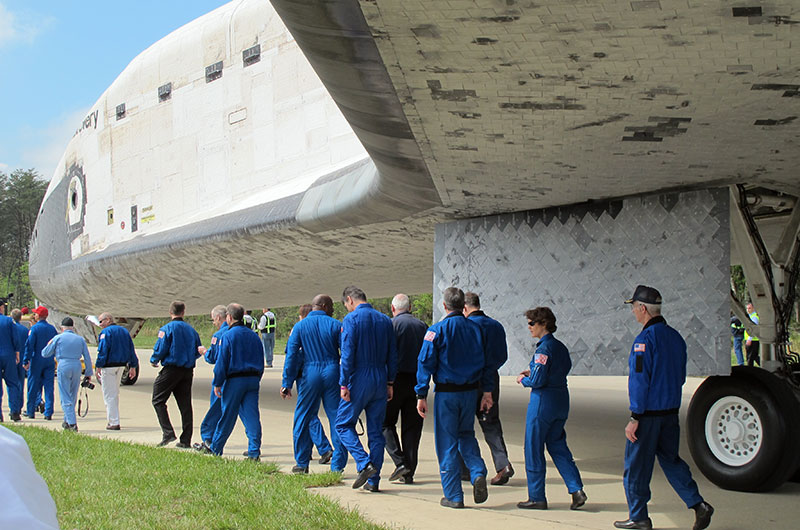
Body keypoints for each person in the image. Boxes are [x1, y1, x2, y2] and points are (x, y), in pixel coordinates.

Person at [615, 285, 714, 530]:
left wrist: (635, 416)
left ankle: (638, 517)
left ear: (643, 309)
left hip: (647, 416)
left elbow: (639, 381)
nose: (633, 313)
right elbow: (679, 376)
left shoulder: (644, 341)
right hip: (670, 414)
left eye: (634, 308)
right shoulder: (676, 337)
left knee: (636, 468)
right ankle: (698, 504)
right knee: (671, 461)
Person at [415, 287, 493, 509]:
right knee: (466, 434)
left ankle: (453, 495)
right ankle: (477, 471)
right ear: (463, 306)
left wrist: (421, 394)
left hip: (447, 394)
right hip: (470, 392)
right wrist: (486, 391)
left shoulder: (436, 331)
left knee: (447, 442)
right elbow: (487, 362)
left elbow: (425, 362)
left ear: (444, 305)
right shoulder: (476, 330)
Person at [516, 306, 586, 510]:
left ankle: (536, 496)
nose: (529, 327)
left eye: (531, 323)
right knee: (558, 446)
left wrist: (524, 378)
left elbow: (538, 380)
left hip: (543, 402)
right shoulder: (560, 347)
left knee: (533, 448)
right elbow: (563, 368)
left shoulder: (543, 349)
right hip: (561, 399)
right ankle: (576, 489)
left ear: (543, 324)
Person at [336, 285, 398, 492]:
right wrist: (390, 382)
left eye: (346, 305)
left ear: (350, 300)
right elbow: (392, 355)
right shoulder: (384, 320)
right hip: (380, 377)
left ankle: (364, 463)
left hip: (358, 376)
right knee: (376, 431)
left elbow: (347, 354)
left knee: (342, 425)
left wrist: (344, 383)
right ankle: (374, 481)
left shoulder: (351, 320)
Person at [282, 295, 346, 473]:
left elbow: (292, 356)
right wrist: (347, 380)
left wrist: (286, 382)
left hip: (310, 373)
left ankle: (302, 463)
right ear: (324, 306)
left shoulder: (299, 327)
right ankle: (337, 465)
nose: (333, 309)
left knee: (303, 416)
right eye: (331, 306)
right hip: (333, 370)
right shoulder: (337, 325)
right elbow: (347, 353)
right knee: (337, 418)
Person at [463, 292, 514, 485]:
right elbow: (503, 356)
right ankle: (503, 464)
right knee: (491, 422)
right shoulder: (496, 326)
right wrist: (490, 369)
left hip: (469, 379)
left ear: (465, 308)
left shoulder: (467, 326)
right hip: (491, 379)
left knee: (463, 427)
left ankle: (466, 469)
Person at [204, 303, 263, 459]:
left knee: (227, 416)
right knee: (252, 416)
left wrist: (217, 382)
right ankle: (254, 450)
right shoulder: (254, 335)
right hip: (253, 379)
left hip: (235, 380)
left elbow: (222, 362)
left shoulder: (228, 336)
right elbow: (261, 359)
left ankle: (216, 448)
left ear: (229, 317)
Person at [383, 293, 427, 484]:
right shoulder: (422, 326)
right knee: (412, 429)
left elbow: (385, 354)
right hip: (417, 381)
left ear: (393, 309)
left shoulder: (390, 326)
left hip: (395, 380)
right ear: (410, 308)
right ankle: (409, 472)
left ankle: (400, 462)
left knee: (384, 423)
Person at [150, 301, 203, 448]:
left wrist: (154, 360)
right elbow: (198, 350)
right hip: (187, 370)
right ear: (183, 312)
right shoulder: (192, 331)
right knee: (185, 405)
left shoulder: (166, 329)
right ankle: (185, 440)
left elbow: (161, 347)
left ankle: (168, 432)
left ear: (170, 312)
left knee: (158, 400)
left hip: (171, 369)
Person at [40, 317, 93, 431]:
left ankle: (72, 423)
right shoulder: (80, 339)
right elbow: (87, 357)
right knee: (73, 394)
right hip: (77, 365)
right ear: (73, 328)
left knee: (65, 395)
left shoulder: (58, 338)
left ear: (62, 328)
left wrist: (49, 343)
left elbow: (45, 353)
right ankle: (66, 420)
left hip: (64, 365)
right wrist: (88, 372)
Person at [194, 305, 230, 451]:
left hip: (224, 378)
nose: (214, 323)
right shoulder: (242, 331)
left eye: (213, 320)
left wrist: (204, 352)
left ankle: (208, 439)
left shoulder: (219, 335)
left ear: (217, 318)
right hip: (242, 378)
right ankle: (254, 445)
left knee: (216, 409)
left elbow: (213, 358)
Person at [95, 312, 139, 430]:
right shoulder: (124, 331)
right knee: (114, 393)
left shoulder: (105, 333)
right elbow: (131, 349)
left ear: (108, 320)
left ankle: (113, 422)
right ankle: (114, 418)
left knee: (109, 394)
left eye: (101, 321)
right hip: (121, 366)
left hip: (109, 366)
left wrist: (98, 365)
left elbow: (103, 351)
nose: (100, 324)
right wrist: (133, 366)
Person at [22, 306, 57, 420]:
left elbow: (29, 345)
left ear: (39, 316)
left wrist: (26, 360)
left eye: (36, 314)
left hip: (36, 359)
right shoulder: (52, 329)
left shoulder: (35, 329)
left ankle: (31, 411)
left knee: (33, 386)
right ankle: (48, 412)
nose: (34, 315)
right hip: (49, 360)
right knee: (49, 387)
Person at [0, 301, 24, 422]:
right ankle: (14, 412)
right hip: (8, 354)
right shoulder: (9, 321)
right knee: (12, 383)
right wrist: (17, 353)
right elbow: (15, 338)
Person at [10, 309, 29, 419]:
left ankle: (14, 406)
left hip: (12, 357)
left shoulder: (10, 328)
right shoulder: (24, 330)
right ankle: (20, 406)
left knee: (12, 383)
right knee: (21, 383)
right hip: (22, 357)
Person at [744, 302, 760, 367]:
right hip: (751, 339)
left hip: (753, 340)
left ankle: (749, 369)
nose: (748, 310)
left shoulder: (754, 317)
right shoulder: (750, 316)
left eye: (749, 308)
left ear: (753, 308)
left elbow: (753, 329)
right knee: (754, 356)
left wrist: (749, 339)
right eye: (747, 308)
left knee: (750, 357)